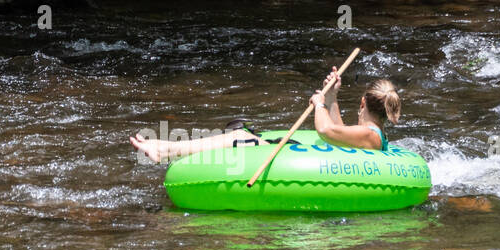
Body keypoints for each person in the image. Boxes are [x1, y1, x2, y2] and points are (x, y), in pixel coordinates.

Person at [129, 68, 402, 163]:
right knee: (241, 131)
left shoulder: (369, 134)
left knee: (239, 136)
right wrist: (332, 96)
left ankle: (166, 150)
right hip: (307, 154)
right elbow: (340, 135)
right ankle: (166, 148)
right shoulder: (370, 134)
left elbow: (326, 132)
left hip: (301, 160)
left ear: (363, 102)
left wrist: (319, 103)